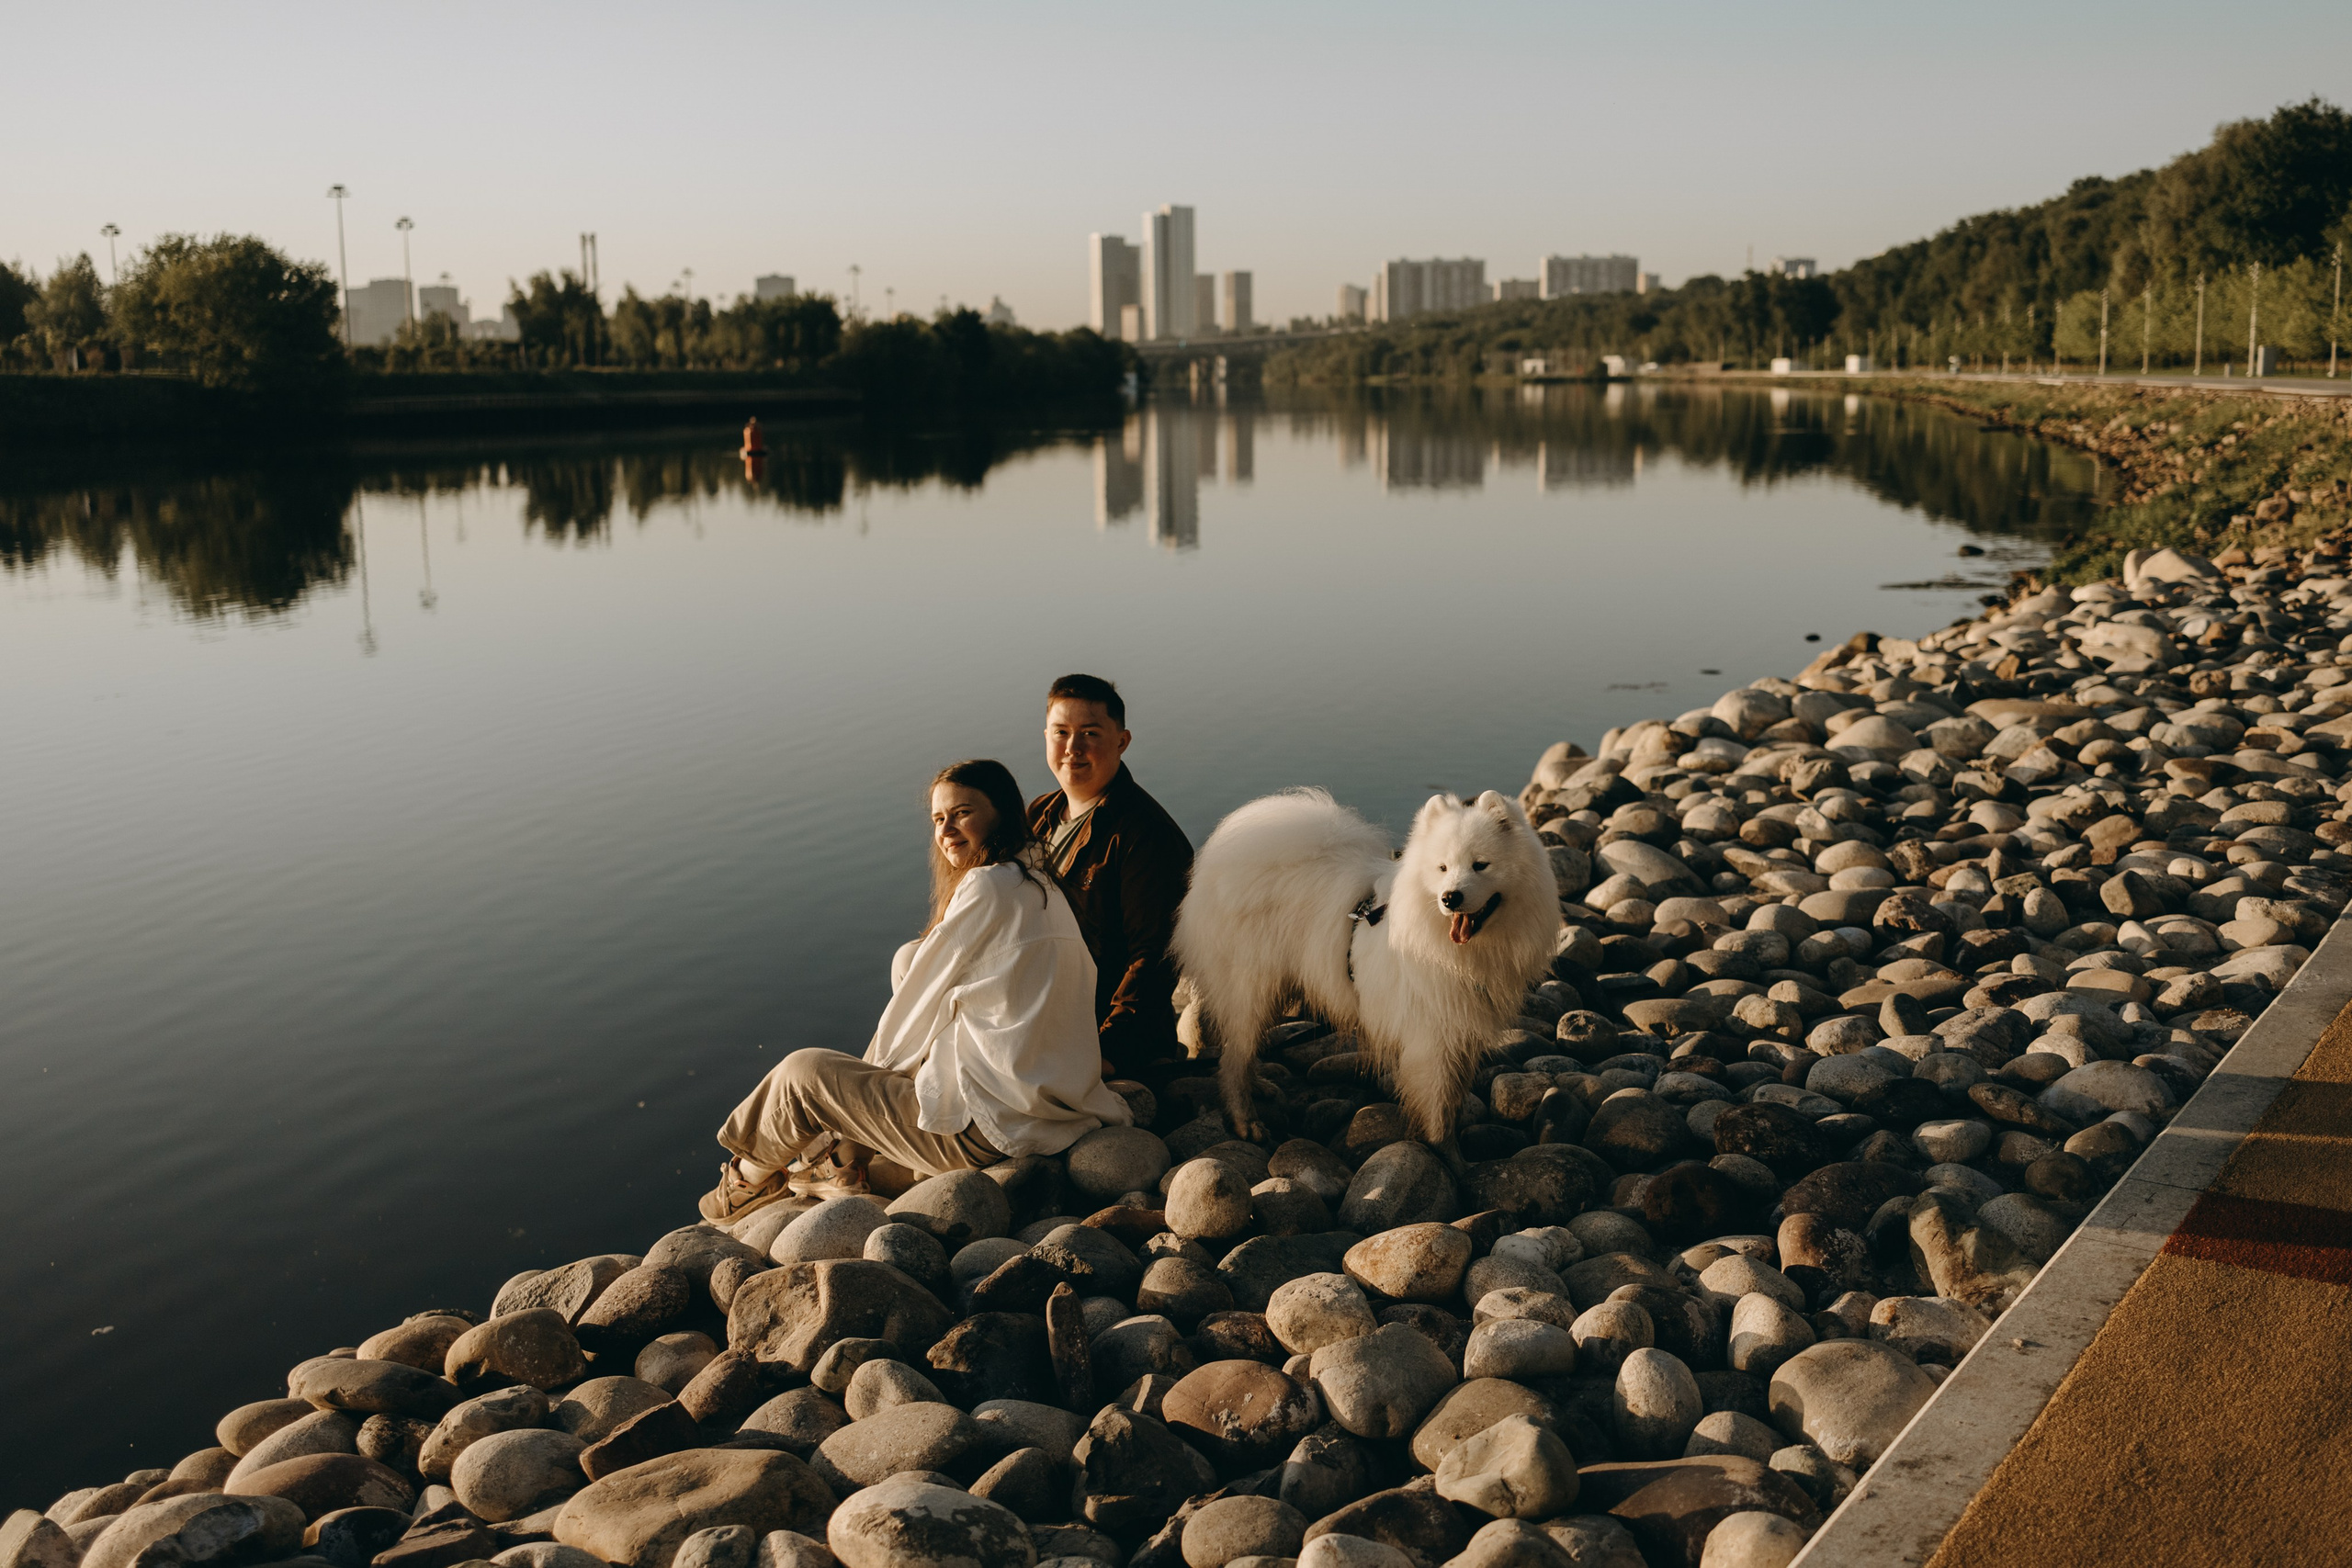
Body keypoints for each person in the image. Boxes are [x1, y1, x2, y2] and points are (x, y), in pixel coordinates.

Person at [698, 758, 1132, 1221]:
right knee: (910, 956)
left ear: (1002, 813)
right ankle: (840, 1161)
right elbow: (926, 975)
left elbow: (910, 1015)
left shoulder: (987, 887)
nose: (946, 830)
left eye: (962, 813)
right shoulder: (1039, 881)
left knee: (801, 1075)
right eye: (938, 819)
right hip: (1051, 1102)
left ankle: (747, 1182)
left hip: (989, 1131)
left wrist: (848, 1116)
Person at [1025, 674, 1194, 1080]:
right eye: (1061, 733)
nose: (1073, 748)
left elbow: (1153, 958)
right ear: (1045, 736)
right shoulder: (1039, 816)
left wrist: (1108, 1053)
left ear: (1122, 741)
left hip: (1096, 1027)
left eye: (1090, 733)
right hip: (1033, 1004)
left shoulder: (1146, 835)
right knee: (912, 958)